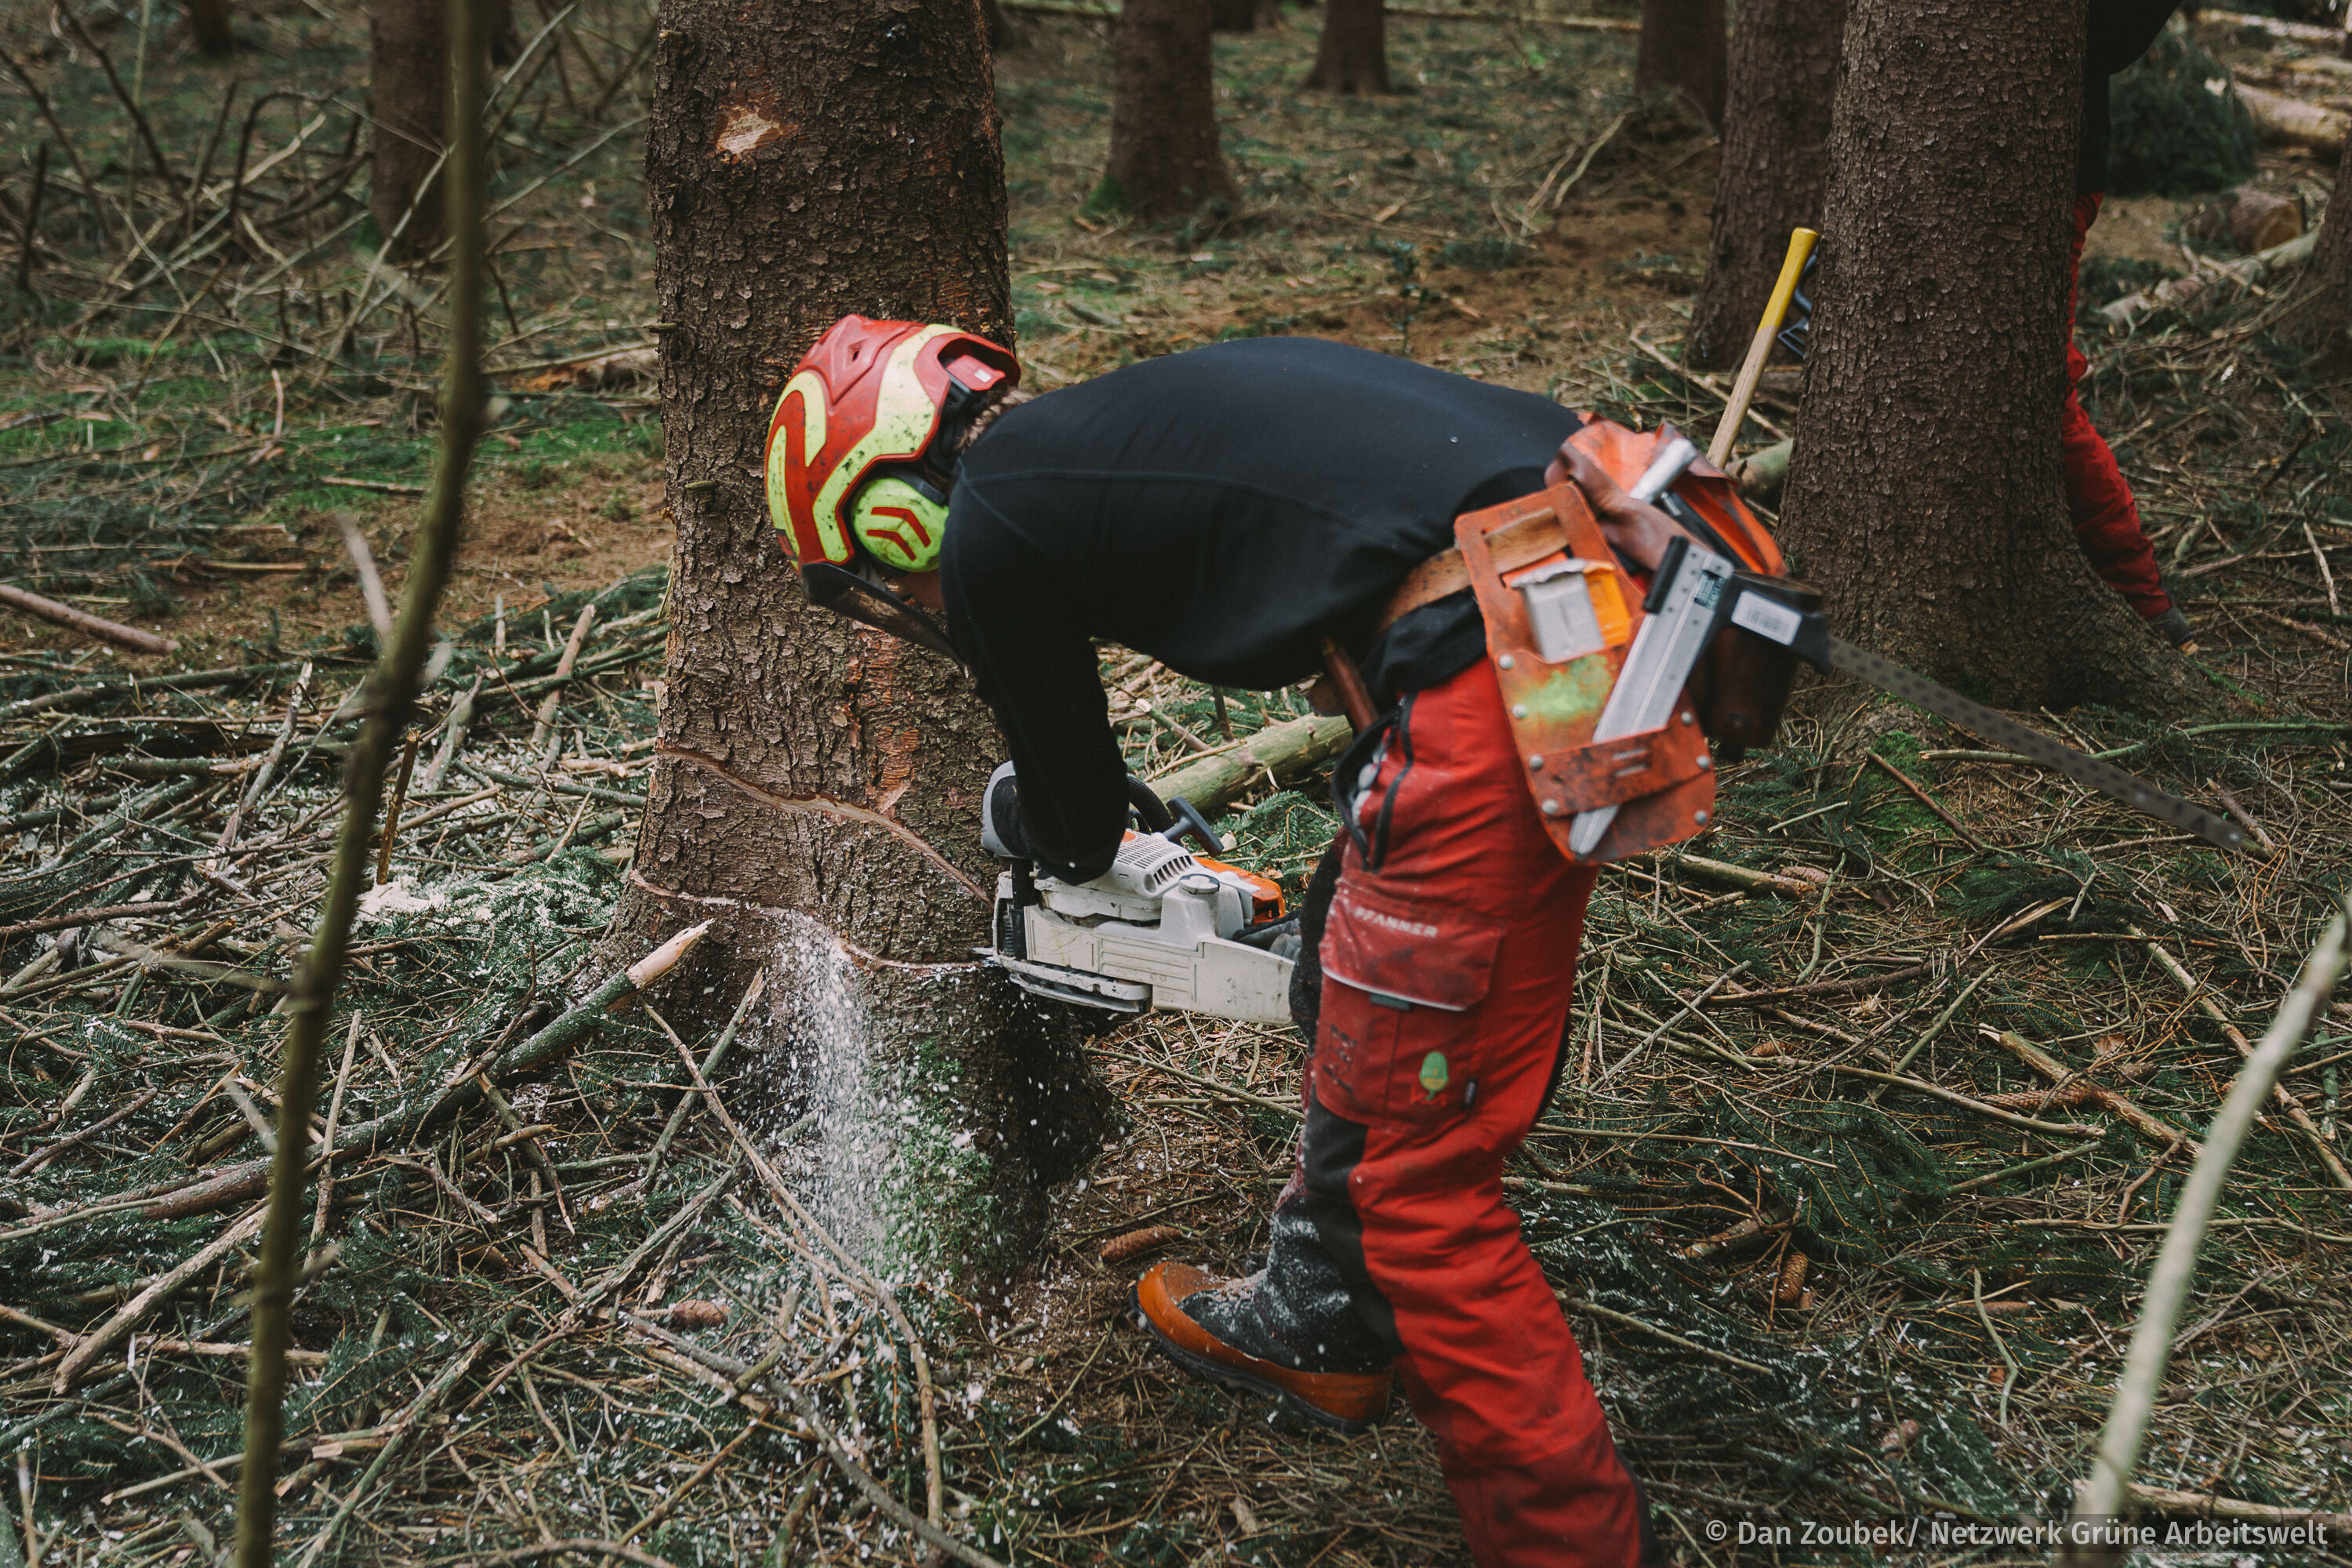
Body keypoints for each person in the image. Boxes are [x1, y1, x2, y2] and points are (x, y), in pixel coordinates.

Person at [764, 317, 1743, 1567]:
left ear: (894, 512)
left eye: (888, 577)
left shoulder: (994, 517)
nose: (910, 600)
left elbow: (1074, 818)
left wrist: (1043, 831)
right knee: (1361, 958)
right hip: (1614, 586)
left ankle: (1571, 1544)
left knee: (1415, 1191)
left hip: (1499, 665)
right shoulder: (1121, 428)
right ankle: (1322, 1315)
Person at [2075, 1, 2195, 649]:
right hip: (1967, 167)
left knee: (2037, 384)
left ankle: (2142, 596)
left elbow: (2111, 40)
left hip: (2050, 172)